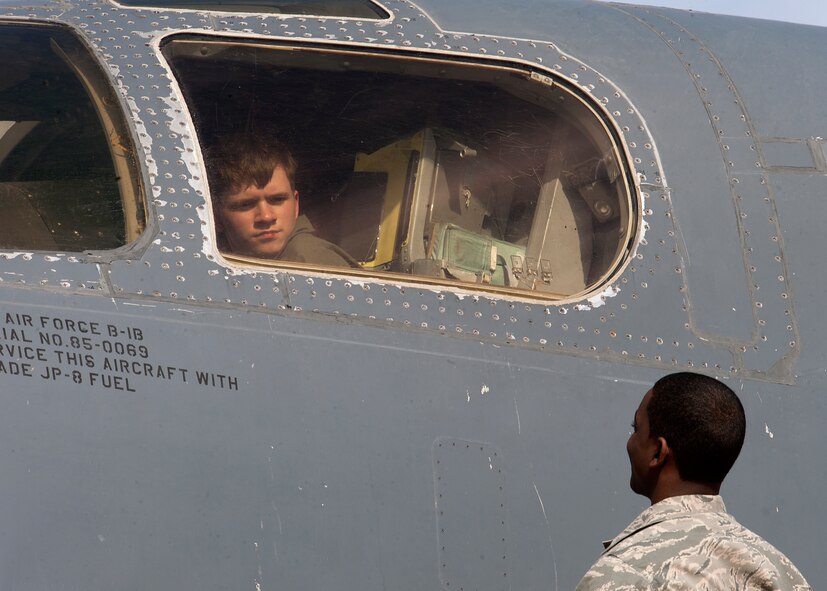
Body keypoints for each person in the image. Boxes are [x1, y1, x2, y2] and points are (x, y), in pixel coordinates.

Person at [576, 372, 811, 590]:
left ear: (658, 452)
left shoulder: (626, 573)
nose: (631, 442)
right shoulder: (779, 572)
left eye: (635, 429)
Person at [206, 134, 357, 267]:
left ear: (296, 204)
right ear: (216, 216)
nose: (266, 217)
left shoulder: (311, 262)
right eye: (246, 205)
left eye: (277, 200)